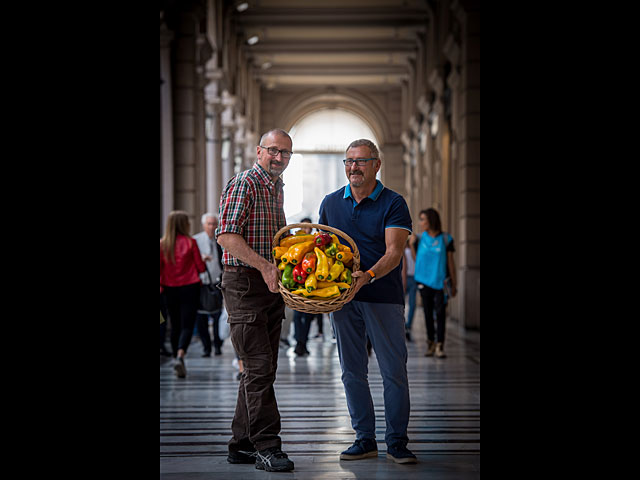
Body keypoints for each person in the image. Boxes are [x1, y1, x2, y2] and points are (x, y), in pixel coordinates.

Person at [318, 138, 417, 464]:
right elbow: (323, 249)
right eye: (348, 161)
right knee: (351, 372)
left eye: (360, 161)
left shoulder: (393, 203)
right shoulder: (331, 203)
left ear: (377, 164)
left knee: (393, 372)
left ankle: (397, 442)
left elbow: (393, 252)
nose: (353, 167)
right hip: (343, 300)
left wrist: (368, 276)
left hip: (382, 297)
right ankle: (365, 439)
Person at [215, 128, 295, 472]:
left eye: (286, 153)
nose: (279, 158)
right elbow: (226, 237)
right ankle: (267, 446)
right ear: (259, 151)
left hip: (269, 286)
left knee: (261, 370)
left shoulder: (275, 187)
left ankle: (241, 444)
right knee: (259, 368)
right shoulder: (245, 183)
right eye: (274, 151)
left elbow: (274, 240)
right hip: (245, 285)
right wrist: (264, 266)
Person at [160, 210, 207, 378]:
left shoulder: (163, 244)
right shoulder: (190, 242)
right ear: (184, 224)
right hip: (190, 287)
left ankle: (175, 358)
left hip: (169, 288)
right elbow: (200, 268)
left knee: (175, 325)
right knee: (187, 325)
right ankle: (181, 354)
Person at [413, 208, 457, 358]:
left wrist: (454, 282)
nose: (420, 223)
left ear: (430, 220)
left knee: (440, 313)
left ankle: (440, 345)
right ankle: (430, 343)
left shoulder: (446, 239)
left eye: (423, 219)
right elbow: (416, 258)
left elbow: (451, 262)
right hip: (423, 281)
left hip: (441, 282)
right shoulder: (419, 239)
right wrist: (412, 244)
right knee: (427, 313)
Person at [193, 212, 224, 356]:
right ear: (204, 225)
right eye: (209, 224)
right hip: (200, 284)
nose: (212, 227)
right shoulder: (196, 240)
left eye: (214, 224)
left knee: (218, 316)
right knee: (201, 318)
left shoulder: (221, 240)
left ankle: (217, 344)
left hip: (217, 283)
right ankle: (206, 347)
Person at [402, 236, 418, 341]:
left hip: (414, 279)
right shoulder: (402, 250)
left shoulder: (415, 250)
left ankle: (408, 326)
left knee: (412, 305)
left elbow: (416, 260)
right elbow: (404, 266)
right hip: (404, 278)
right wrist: (403, 281)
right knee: (401, 305)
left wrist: (412, 246)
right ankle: (401, 325)